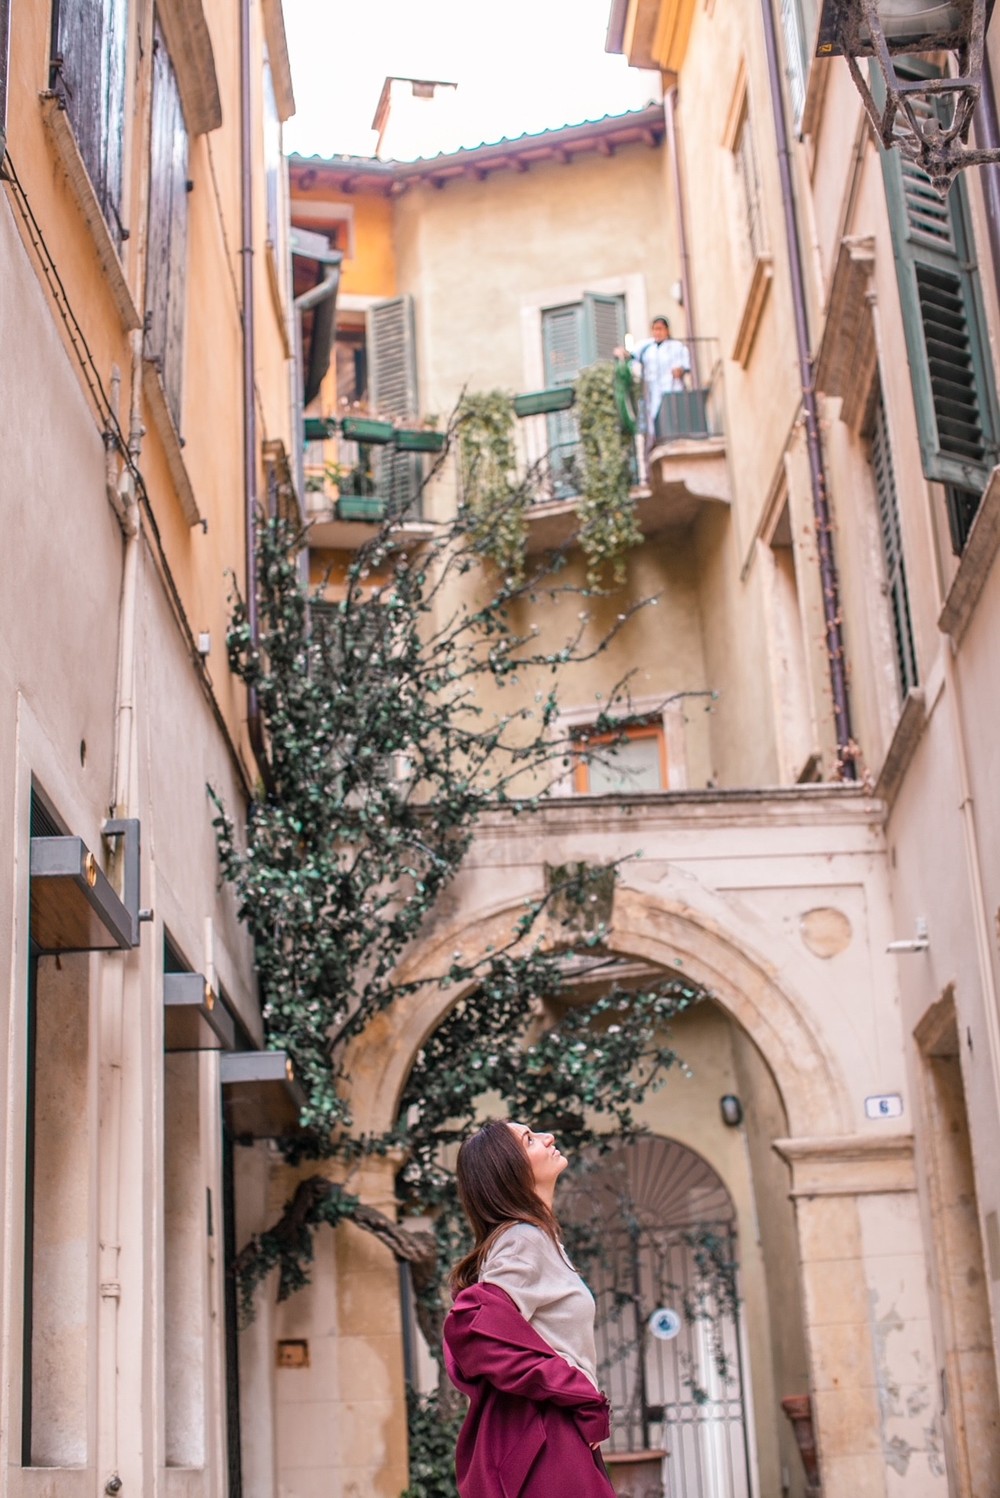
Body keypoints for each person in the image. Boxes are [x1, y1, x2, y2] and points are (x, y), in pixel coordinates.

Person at [443, 1119, 615, 1498]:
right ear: (510, 1170)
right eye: (529, 1139)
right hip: (549, 1435)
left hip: (553, 1430)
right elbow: (473, 1330)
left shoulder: (535, 1238)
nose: (549, 1136)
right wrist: (577, 1391)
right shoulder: (523, 1239)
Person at [628, 315, 691, 452]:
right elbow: (632, 356)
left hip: (672, 388)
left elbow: (686, 365)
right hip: (654, 390)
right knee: (655, 416)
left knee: (673, 414)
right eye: (654, 329)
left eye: (660, 329)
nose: (657, 332)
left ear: (667, 330)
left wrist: (680, 370)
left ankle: (676, 438)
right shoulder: (647, 348)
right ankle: (659, 441)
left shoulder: (676, 346)